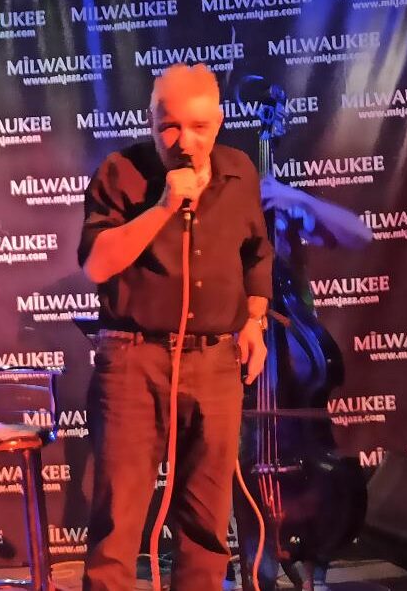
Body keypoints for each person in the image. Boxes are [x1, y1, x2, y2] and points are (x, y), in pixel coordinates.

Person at [79, 63, 273, 590]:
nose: (184, 142)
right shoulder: (120, 173)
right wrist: (164, 207)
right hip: (134, 359)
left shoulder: (239, 171)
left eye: (198, 127)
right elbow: (97, 264)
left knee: (208, 523)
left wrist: (254, 320)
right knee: (117, 522)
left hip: (215, 361)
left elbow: (257, 252)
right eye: (169, 126)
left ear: (219, 122)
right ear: (150, 121)